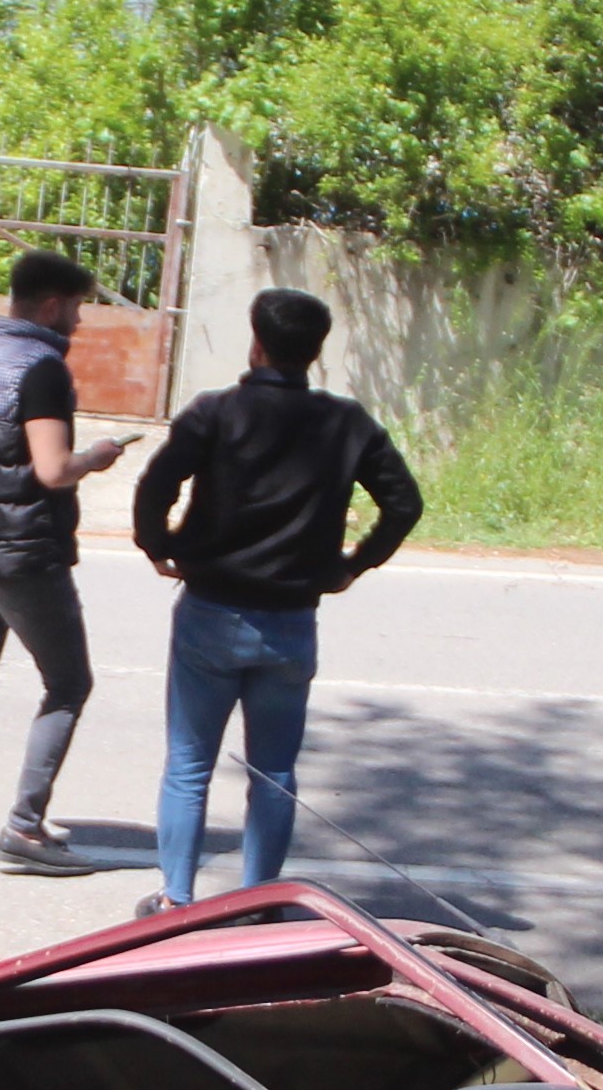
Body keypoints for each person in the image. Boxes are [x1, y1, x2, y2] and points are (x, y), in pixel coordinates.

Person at [132, 286, 422, 910]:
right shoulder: (347, 422)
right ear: (315, 353)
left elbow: (156, 482)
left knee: (189, 765)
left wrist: (158, 546)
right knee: (275, 774)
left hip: (211, 611)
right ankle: (259, 901)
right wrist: (352, 565)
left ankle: (176, 901)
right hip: (291, 620)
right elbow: (404, 503)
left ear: (256, 344)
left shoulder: (215, 412)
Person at [0, 248, 134, 875]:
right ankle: (24, 827)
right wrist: (96, 457)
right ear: (50, 306)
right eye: (75, 308)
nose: (79, 321)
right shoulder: (41, 368)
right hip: (25, 552)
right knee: (68, 684)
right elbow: (52, 470)